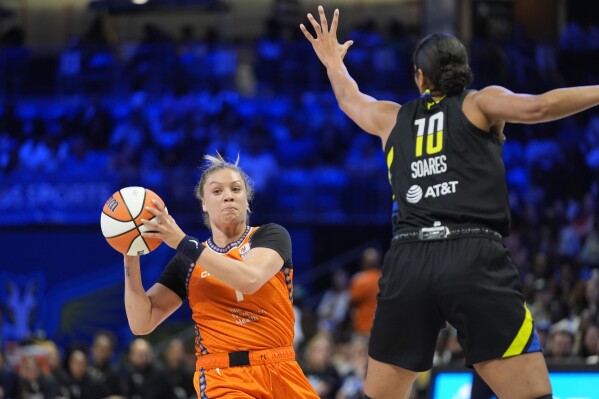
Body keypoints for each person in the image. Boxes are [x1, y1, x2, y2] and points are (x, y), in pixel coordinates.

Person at [300, 5, 599, 399]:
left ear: (419, 76)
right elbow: (541, 106)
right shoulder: (479, 103)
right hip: (473, 255)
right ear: (462, 69)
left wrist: (333, 61)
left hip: (409, 259)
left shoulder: (392, 118)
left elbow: (348, 98)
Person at [122, 153, 319, 399]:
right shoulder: (186, 262)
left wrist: (183, 242)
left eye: (236, 189)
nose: (228, 195)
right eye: (217, 191)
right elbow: (142, 322)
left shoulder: (270, 235)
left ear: (247, 201)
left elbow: (249, 280)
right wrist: (129, 252)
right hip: (223, 376)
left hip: (281, 366)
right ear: (203, 203)